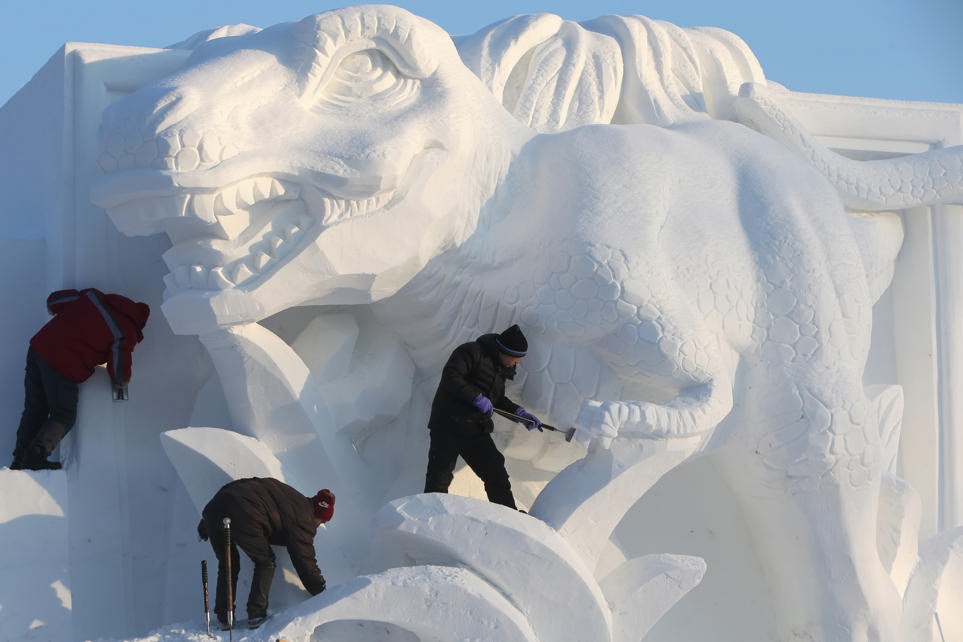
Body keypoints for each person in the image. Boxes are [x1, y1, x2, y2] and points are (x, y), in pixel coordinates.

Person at [11, 288, 150, 470]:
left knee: (35, 408)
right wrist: (121, 389)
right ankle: (35, 456)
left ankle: (20, 459)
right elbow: (119, 367)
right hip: (62, 364)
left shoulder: (92, 297)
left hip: (38, 348)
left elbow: (54, 301)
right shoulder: (125, 331)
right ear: (139, 323)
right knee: (63, 414)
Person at [424, 324, 543, 509]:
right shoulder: (471, 352)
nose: (517, 363)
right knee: (439, 477)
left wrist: (519, 414)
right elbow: (451, 376)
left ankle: (509, 516)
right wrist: (476, 397)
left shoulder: (500, 368)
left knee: (496, 472)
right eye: (516, 359)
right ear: (505, 351)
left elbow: (497, 399)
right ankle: (427, 519)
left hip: (474, 429)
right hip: (447, 426)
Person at [197, 477, 334, 630]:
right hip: (244, 513)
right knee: (266, 562)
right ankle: (256, 614)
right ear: (319, 515)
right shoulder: (304, 518)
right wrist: (320, 590)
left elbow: (241, 483)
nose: (320, 525)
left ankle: (224, 618)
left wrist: (207, 522)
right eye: (322, 521)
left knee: (228, 563)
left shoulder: (290, 495)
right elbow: (304, 559)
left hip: (214, 509)